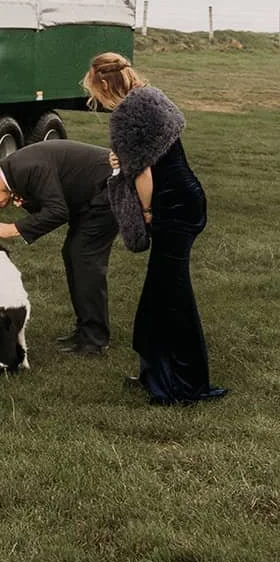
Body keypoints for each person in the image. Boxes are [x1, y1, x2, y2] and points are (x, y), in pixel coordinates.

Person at [83, 53, 227, 405]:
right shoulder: (150, 96)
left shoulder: (127, 114)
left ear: (104, 84)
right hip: (188, 195)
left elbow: (144, 172)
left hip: (170, 205)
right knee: (160, 291)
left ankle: (185, 383)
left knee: (173, 295)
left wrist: (147, 213)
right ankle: (156, 372)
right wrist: (124, 160)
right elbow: (152, 152)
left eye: (94, 91)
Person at [0, 139, 117, 354]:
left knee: (84, 258)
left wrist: (11, 228)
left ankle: (95, 339)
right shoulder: (14, 175)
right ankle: (86, 331)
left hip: (106, 189)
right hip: (88, 198)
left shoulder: (26, 168)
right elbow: (51, 205)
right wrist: (27, 202)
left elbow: (57, 211)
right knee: (73, 254)